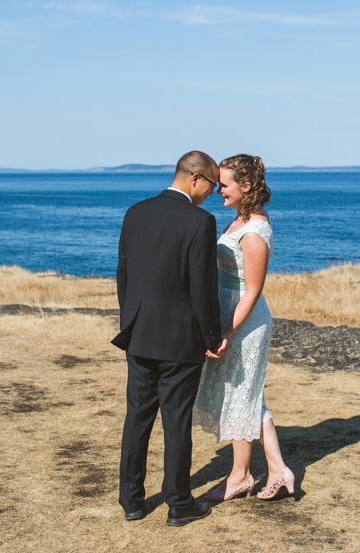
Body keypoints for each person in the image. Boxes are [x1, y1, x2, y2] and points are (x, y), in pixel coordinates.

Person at [112, 150, 222, 527]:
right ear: (195, 178)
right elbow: (202, 289)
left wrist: (131, 321)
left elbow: (123, 275)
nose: (213, 192)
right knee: (176, 423)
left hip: (139, 334)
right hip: (180, 341)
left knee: (137, 418)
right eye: (212, 184)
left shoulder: (135, 213)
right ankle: (178, 503)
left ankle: (131, 501)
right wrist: (212, 335)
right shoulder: (200, 221)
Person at [194, 154, 295, 502]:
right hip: (227, 313)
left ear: (246, 186)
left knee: (242, 395)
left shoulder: (254, 232)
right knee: (250, 396)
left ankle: (240, 476)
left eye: (223, 184)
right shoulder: (240, 219)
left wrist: (226, 331)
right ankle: (279, 470)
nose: (217, 189)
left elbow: (252, 291)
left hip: (244, 322)